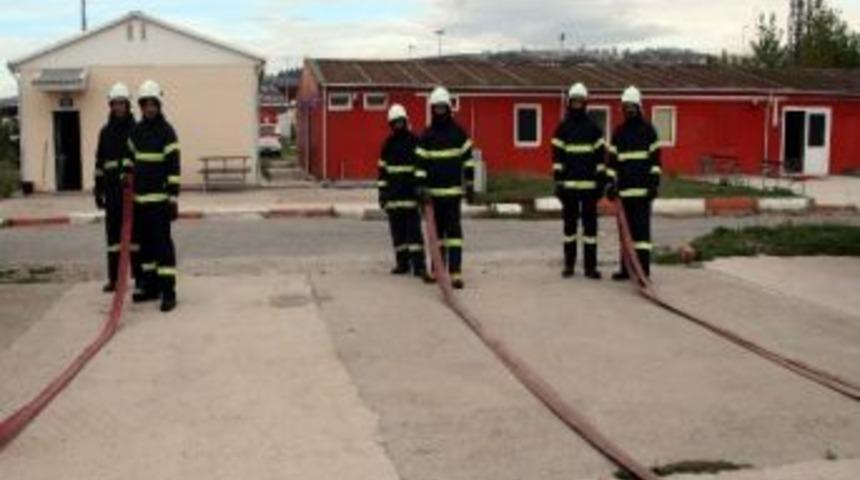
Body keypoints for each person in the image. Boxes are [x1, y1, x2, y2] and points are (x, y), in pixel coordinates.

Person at [127, 80, 181, 312]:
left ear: (159, 105)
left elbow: (173, 168)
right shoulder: (136, 132)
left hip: (159, 202)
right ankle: (150, 288)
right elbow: (129, 161)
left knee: (162, 248)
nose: (149, 108)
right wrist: (125, 176)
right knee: (145, 249)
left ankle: (168, 292)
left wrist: (172, 199)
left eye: (153, 104)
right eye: (145, 104)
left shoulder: (167, 132)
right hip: (139, 202)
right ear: (140, 106)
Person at [414, 86, 475, 290]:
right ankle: (436, 270)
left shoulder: (459, 133)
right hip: (433, 197)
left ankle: (455, 273)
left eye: (443, 108)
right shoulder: (426, 136)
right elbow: (420, 165)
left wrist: (470, 183)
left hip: (453, 195)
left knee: (454, 235)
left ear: (448, 108)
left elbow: (468, 160)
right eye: (436, 108)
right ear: (432, 109)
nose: (439, 112)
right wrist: (421, 187)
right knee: (436, 236)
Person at [606, 86, 662, 280]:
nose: (629, 110)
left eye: (632, 106)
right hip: (623, 193)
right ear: (623, 108)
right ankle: (626, 269)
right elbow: (612, 163)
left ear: (639, 107)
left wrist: (654, 185)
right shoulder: (619, 132)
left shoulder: (649, 131)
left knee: (641, 234)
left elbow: (655, 162)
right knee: (626, 235)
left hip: (643, 192)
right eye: (626, 106)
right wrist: (610, 184)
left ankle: (643, 270)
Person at [551, 82, 607, 280]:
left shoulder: (594, 128)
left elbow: (601, 158)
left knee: (590, 231)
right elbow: (557, 158)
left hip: (590, 189)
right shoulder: (562, 128)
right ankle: (569, 265)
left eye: (580, 102)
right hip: (569, 189)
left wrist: (601, 182)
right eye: (574, 102)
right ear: (569, 103)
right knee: (569, 230)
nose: (577, 105)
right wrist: (558, 182)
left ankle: (590, 268)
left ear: (585, 103)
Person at [378, 104, 430, 280]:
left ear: (405, 121)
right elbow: (382, 172)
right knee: (398, 235)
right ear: (391, 124)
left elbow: (422, 168)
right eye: (395, 122)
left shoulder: (415, 141)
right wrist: (382, 193)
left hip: (410, 198)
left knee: (414, 235)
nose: (398, 125)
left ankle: (419, 267)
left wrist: (421, 189)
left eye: (400, 121)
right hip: (393, 199)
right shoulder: (388, 144)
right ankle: (402, 264)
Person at [94, 82, 137, 293]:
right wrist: (98, 189)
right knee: (113, 240)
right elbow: (100, 163)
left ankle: (139, 279)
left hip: (132, 193)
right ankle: (114, 279)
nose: (119, 107)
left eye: (122, 103)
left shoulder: (136, 130)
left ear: (128, 105)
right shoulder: (105, 132)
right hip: (112, 193)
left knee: (136, 239)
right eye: (115, 103)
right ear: (110, 105)